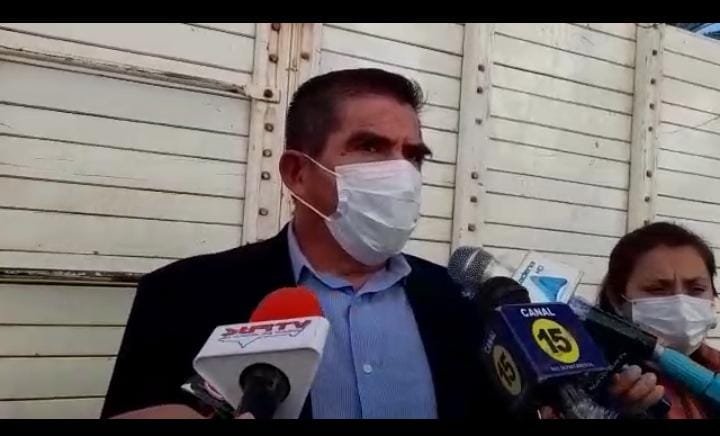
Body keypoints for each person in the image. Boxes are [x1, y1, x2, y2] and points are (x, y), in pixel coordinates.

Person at [101, 68, 662, 419]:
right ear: (298, 173)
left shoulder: (457, 301)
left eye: (413, 155)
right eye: (370, 147)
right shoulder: (182, 296)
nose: (401, 172)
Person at [597, 221, 720, 418]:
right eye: (657, 289)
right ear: (617, 299)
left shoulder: (714, 366)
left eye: (696, 289)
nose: (681, 306)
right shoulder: (592, 379)